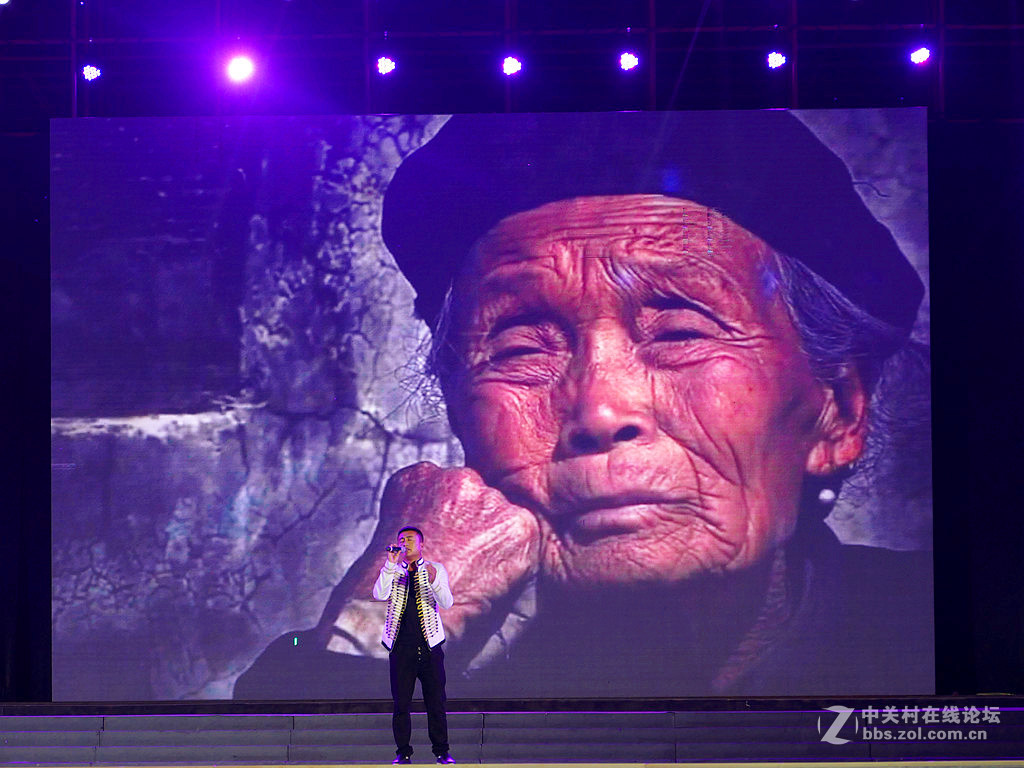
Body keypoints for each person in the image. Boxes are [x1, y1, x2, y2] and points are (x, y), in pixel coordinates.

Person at [234, 110, 932, 699]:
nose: (599, 410)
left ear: (837, 411)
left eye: (682, 332)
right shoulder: (338, 674)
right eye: (520, 351)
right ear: (458, 414)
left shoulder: (938, 638)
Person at [375, 526, 455, 765]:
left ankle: (441, 751)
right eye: (401, 539)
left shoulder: (435, 569)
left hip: (430, 647)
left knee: (436, 702)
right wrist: (390, 565)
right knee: (401, 704)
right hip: (401, 648)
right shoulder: (392, 569)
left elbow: (447, 602)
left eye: (410, 539)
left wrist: (433, 580)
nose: (405, 542)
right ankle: (403, 751)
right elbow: (379, 594)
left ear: (421, 544)